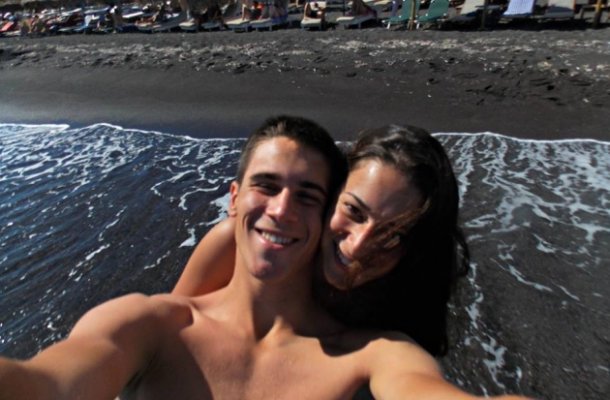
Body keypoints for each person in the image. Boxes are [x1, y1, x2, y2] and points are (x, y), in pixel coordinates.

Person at [0, 116, 531, 400]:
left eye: (305, 196)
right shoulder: (163, 316)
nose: (358, 246)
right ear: (234, 199)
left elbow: (416, 384)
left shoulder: (376, 346)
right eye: (352, 211)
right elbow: (55, 380)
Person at [174, 124, 468, 356]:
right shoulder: (239, 244)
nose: (358, 246)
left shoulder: (403, 310)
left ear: (416, 248)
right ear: (330, 194)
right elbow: (166, 329)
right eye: (353, 210)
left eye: (391, 235)